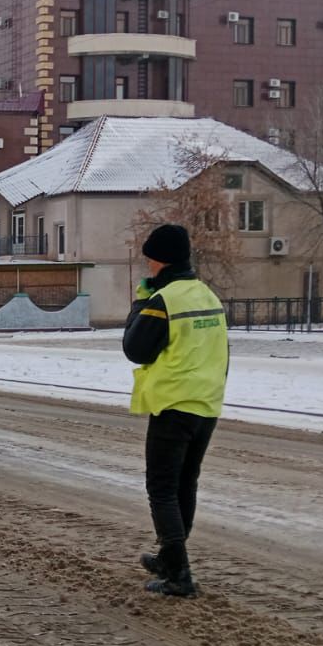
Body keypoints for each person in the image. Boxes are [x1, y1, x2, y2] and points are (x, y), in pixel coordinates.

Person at [122, 224, 229, 598]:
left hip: (173, 403)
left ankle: (179, 573)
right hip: (207, 403)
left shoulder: (163, 300)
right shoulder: (207, 296)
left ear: (159, 260)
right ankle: (171, 555)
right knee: (186, 482)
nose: (147, 265)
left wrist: (140, 302)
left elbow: (135, 349)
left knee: (162, 488)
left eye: (149, 258)